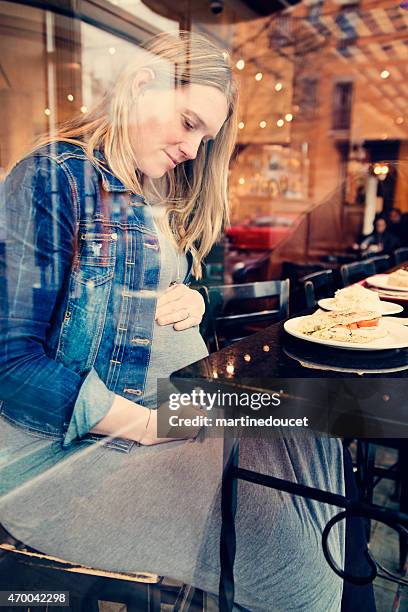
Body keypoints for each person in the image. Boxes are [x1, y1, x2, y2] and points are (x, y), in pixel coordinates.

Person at [0, 31, 346, 610]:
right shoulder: (50, 179)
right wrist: (150, 424)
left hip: (179, 404)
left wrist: (196, 295)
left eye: (204, 137)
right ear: (141, 86)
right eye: (188, 123)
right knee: (283, 540)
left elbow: (168, 278)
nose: (193, 148)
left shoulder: (152, 183)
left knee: (318, 426)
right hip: (85, 450)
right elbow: (11, 365)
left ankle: (331, 587)